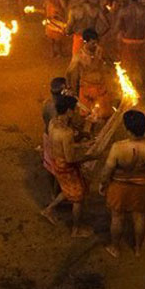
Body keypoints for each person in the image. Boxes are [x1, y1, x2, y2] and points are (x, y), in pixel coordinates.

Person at [98, 110, 145, 258]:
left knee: (117, 217)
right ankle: (138, 249)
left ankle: (115, 248)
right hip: (141, 187)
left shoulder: (118, 147)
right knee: (140, 216)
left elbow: (106, 171)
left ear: (127, 129)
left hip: (119, 187)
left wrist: (103, 184)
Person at [40, 92, 95, 238]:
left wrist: (82, 144)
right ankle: (76, 230)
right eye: (75, 109)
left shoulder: (53, 123)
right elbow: (70, 158)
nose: (76, 112)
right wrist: (89, 157)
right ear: (69, 111)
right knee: (78, 198)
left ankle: (48, 210)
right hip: (65, 166)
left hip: (56, 161)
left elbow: (61, 145)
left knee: (67, 190)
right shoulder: (67, 132)